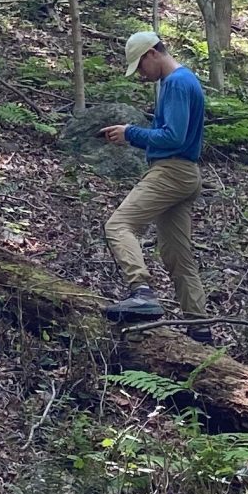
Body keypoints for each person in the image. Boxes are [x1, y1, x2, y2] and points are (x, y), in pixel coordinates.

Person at [99, 29, 208, 325]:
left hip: (172, 172)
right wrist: (130, 135)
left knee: (118, 225)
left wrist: (130, 133)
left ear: (152, 54)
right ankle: (199, 329)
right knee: (178, 257)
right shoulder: (185, 80)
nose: (141, 75)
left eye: (141, 66)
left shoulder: (176, 83)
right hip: (185, 174)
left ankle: (142, 292)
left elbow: (173, 136)